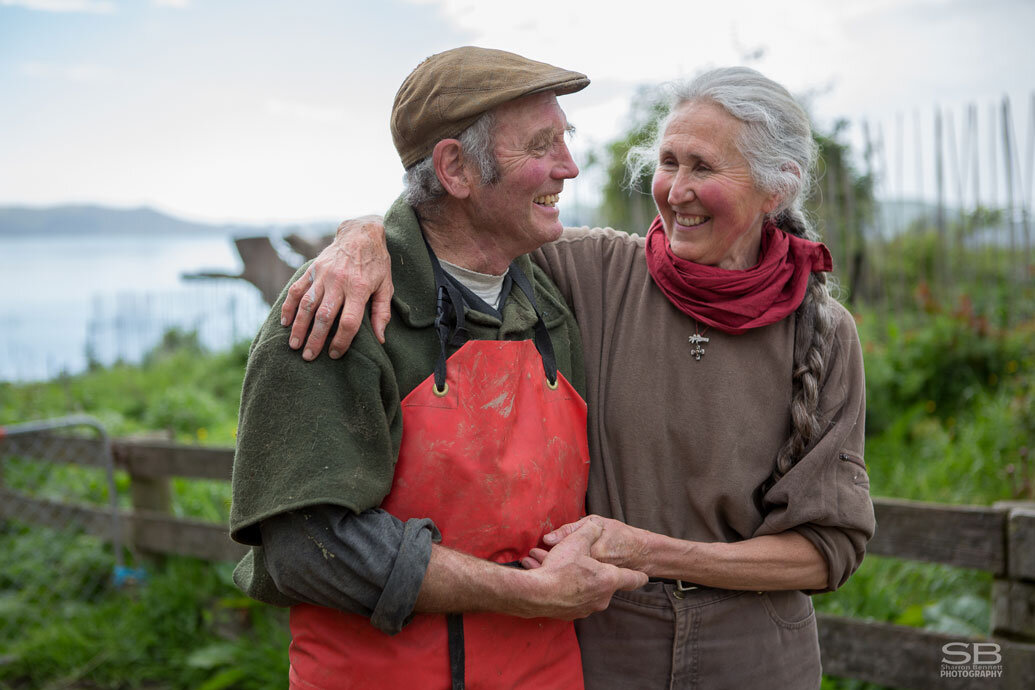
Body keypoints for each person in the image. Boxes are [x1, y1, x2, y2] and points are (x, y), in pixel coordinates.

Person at [282, 66, 876, 688]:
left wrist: (648, 551)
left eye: (703, 167)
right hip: (602, 648)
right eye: (668, 162)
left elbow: (825, 551)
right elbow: (458, 219)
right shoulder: (592, 273)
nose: (675, 190)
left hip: (757, 660)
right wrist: (363, 235)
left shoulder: (824, 334)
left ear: (776, 188)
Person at [229, 46, 647, 690]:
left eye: (566, 138)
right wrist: (531, 593)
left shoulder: (557, 302)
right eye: (542, 144)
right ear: (455, 168)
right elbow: (309, 549)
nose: (569, 165)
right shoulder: (338, 312)